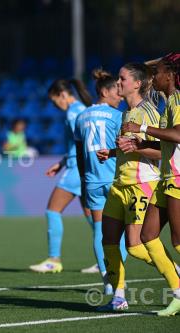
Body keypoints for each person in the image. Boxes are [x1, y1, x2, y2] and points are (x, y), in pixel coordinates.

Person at [96, 62, 161, 311]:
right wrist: (113, 152)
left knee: (134, 246)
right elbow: (131, 148)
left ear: (137, 83)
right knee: (109, 242)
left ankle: (174, 272)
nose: (118, 83)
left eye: (122, 79)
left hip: (141, 184)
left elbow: (162, 152)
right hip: (119, 185)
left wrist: (133, 145)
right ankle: (118, 298)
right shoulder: (126, 113)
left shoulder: (149, 113)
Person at [120, 53, 180, 316]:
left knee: (178, 241)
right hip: (165, 178)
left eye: (158, 73)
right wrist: (139, 144)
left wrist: (142, 128)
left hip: (178, 178)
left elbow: (179, 135)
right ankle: (178, 292)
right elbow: (168, 142)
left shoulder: (177, 99)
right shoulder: (168, 101)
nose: (153, 77)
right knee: (147, 236)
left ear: (170, 75)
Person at [30, 78, 93, 273]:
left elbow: (85, 143)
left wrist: (71, 164)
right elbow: (79, 145)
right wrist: (62, 163)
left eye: (54, 100)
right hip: (80, 166)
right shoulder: (82, 109)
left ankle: (53, 260)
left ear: (63, 95)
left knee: (53, 210)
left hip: (77, 168)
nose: (55, 105)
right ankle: (109, 257)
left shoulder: (74, 113)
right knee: (93, 216)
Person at [74, 69, 128, 294]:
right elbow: (125, 148)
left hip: (92, 181)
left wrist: (83, 182)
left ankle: (108, 283)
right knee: (123, 232)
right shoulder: (118, 116)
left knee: (99, 230)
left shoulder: (81, 117)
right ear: (104, 91)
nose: (121, 95)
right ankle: (119, 280)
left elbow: (79, 155)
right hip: (117, 178)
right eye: (117, 90)